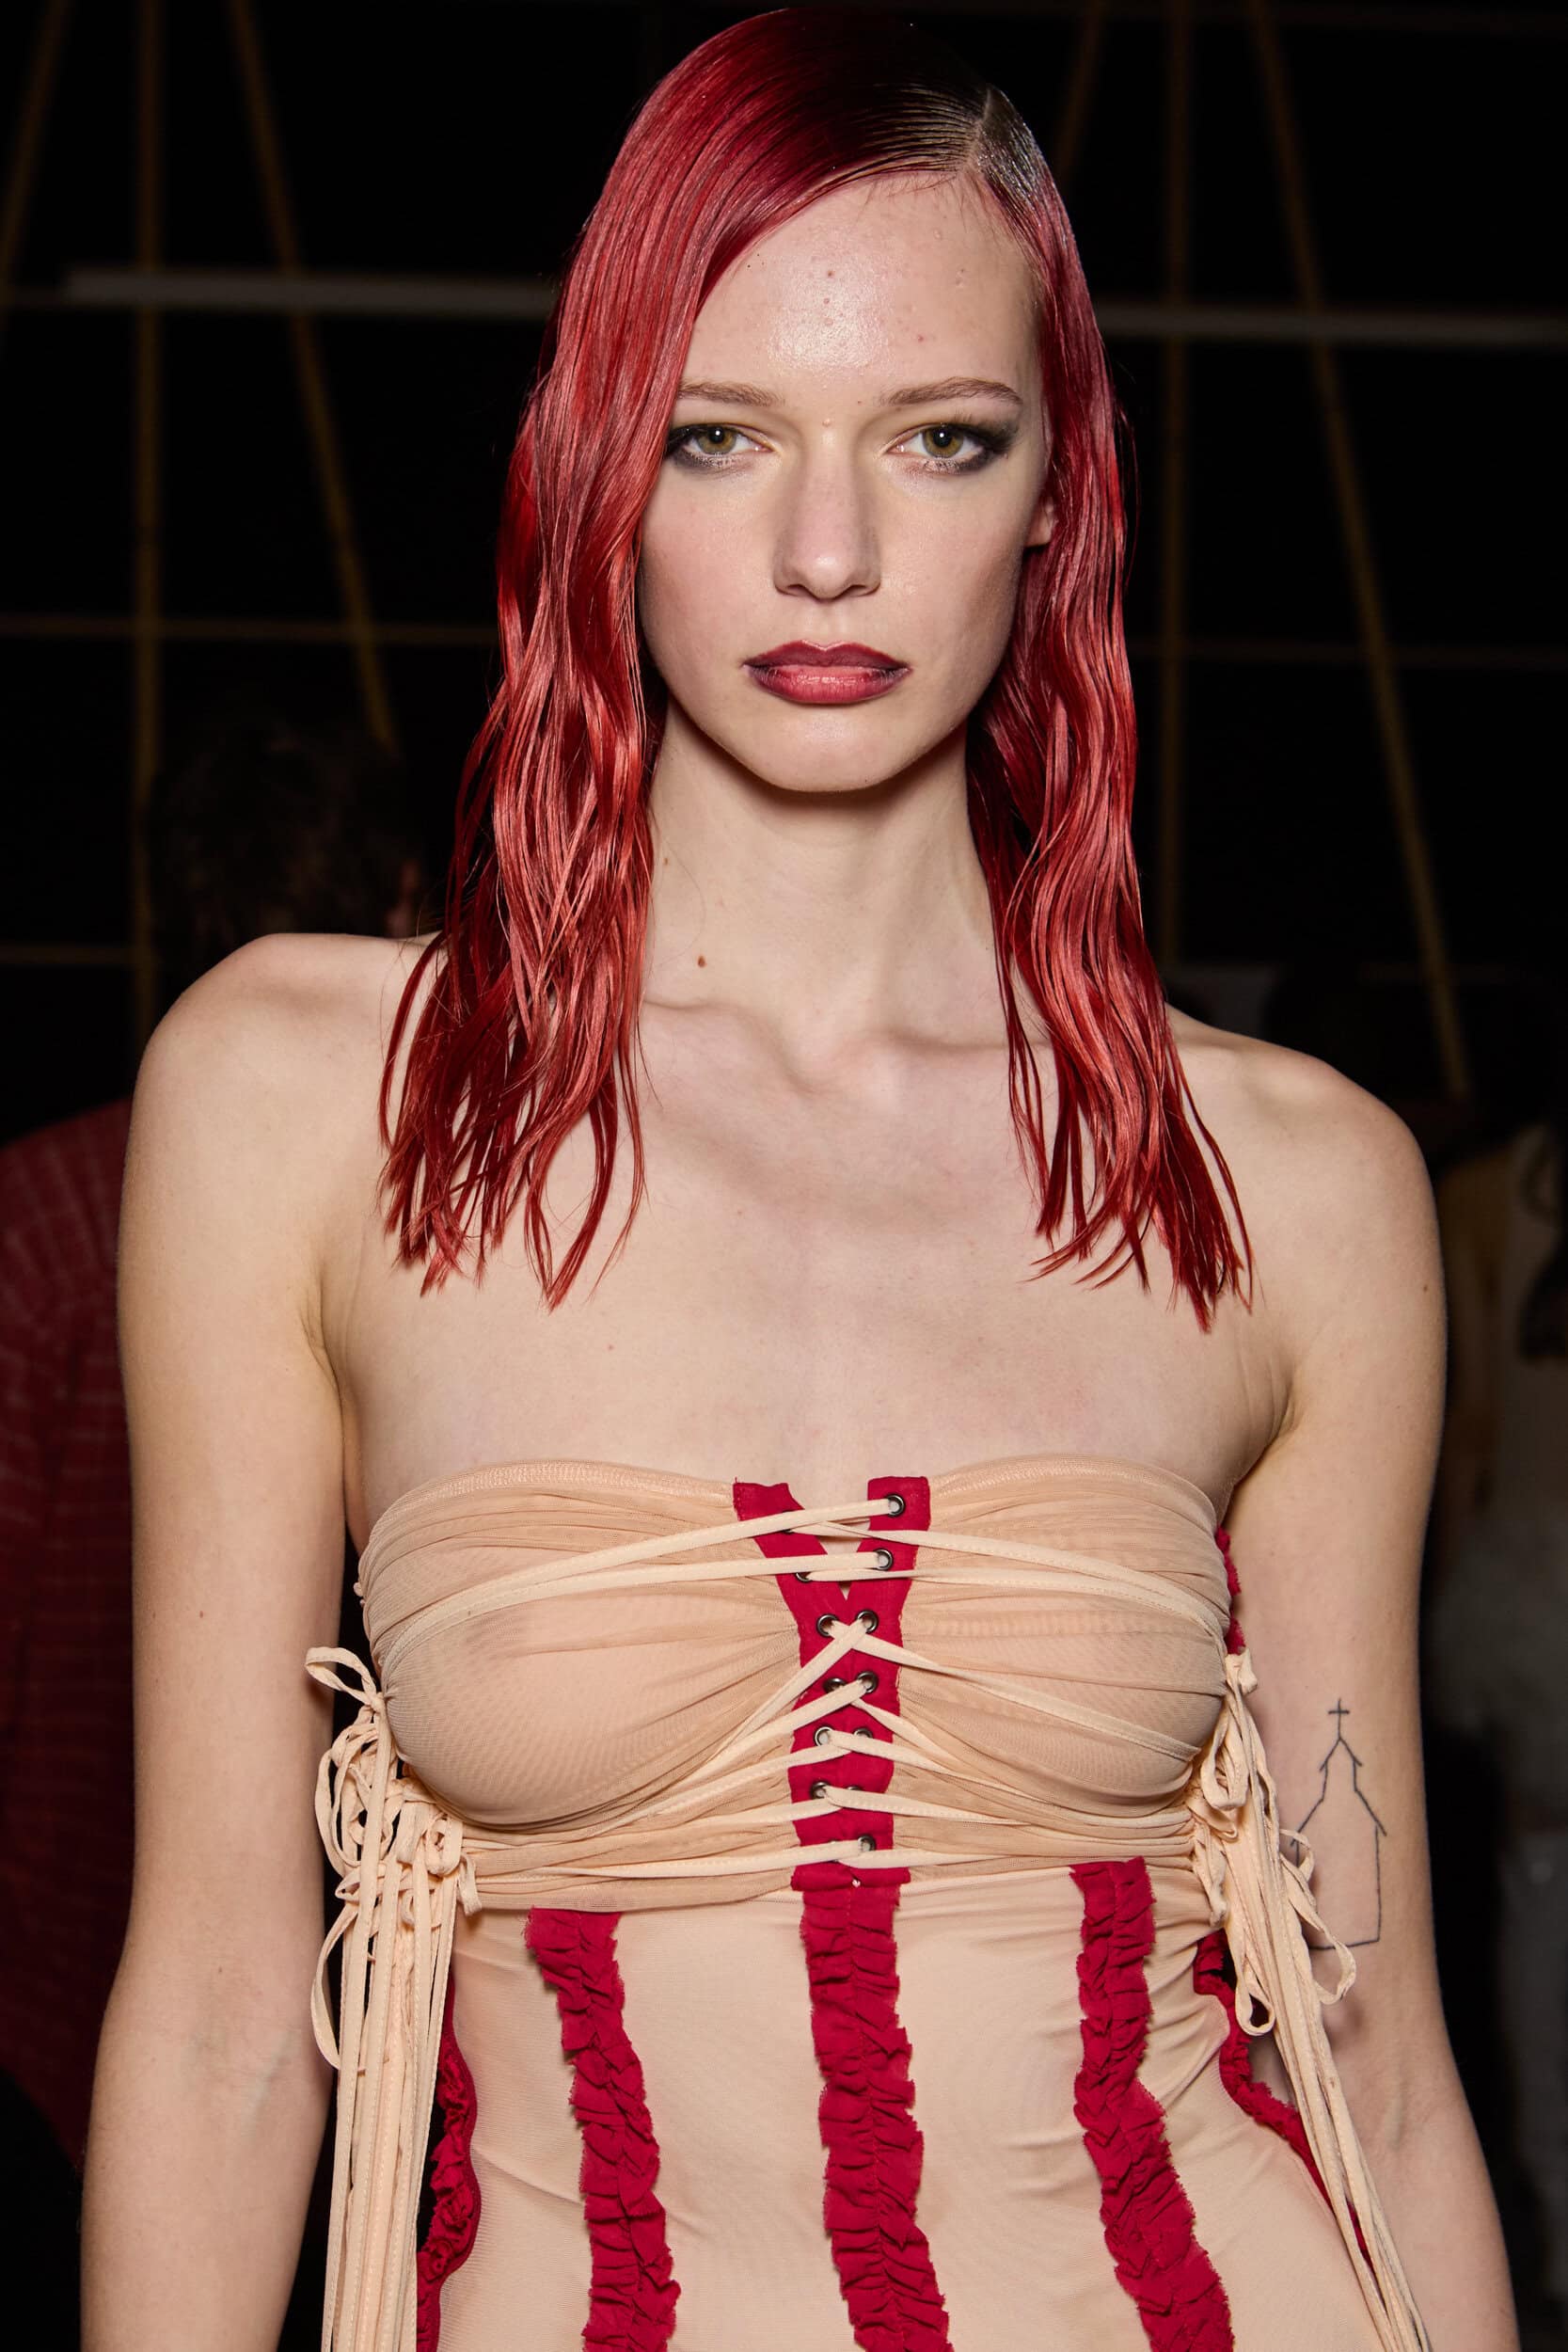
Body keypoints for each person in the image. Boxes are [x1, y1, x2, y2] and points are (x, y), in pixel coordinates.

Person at [81, 13, 1515, 2350]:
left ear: (1056, 490)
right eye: (718, 434)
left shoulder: (1292, 1182)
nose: (828, 553)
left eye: (938, 438)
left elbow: (1379, 2057)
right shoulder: (306, 1102)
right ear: (597, 471)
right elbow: (232, 2023)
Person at [0, 709, 423, 2344]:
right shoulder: (460, 1219)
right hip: (350, 1989)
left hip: (83, 1960)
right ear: (402, 898)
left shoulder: (46, 1204)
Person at [1427, 972, 1568, 2332]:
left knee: (1536, 1900)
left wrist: (1444, 1611)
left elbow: (1467, 1437)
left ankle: (1559, 2214)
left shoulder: (1476, 1199)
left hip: (1534, 1591)